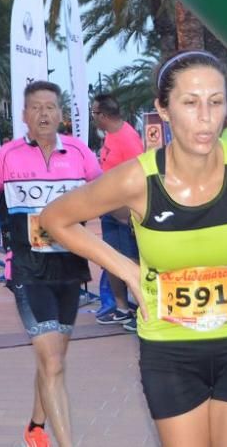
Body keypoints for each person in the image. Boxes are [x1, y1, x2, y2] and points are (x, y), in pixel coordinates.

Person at [37, 51, 227, 447]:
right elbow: (55, 218)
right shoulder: (137, 180)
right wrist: (127, 269)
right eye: (190, 102)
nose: (206, 117)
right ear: (163, 110)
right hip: (170, 352)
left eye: (215, 102)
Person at [0, 81, 103, 447]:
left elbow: (110, 200)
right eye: (36, 108)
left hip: (70, 270)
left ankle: (35, 427)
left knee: (54, 360)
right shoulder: (7, 157)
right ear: (24, 116)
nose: (44, 114)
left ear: (61, 114)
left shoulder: (82, 154)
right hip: (27, 271)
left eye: (50, 107)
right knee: (52, 362)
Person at [91, 92, 145, 331]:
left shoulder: (128, 138)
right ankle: (122, 308)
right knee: (111, 257)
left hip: (125, 211)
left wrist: (127, 211)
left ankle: (143, 308)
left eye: (94, 113)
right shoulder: (110, 137)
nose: (93, 118)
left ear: (102, 115)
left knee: (131, 259)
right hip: (109, 209)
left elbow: (139, 175)